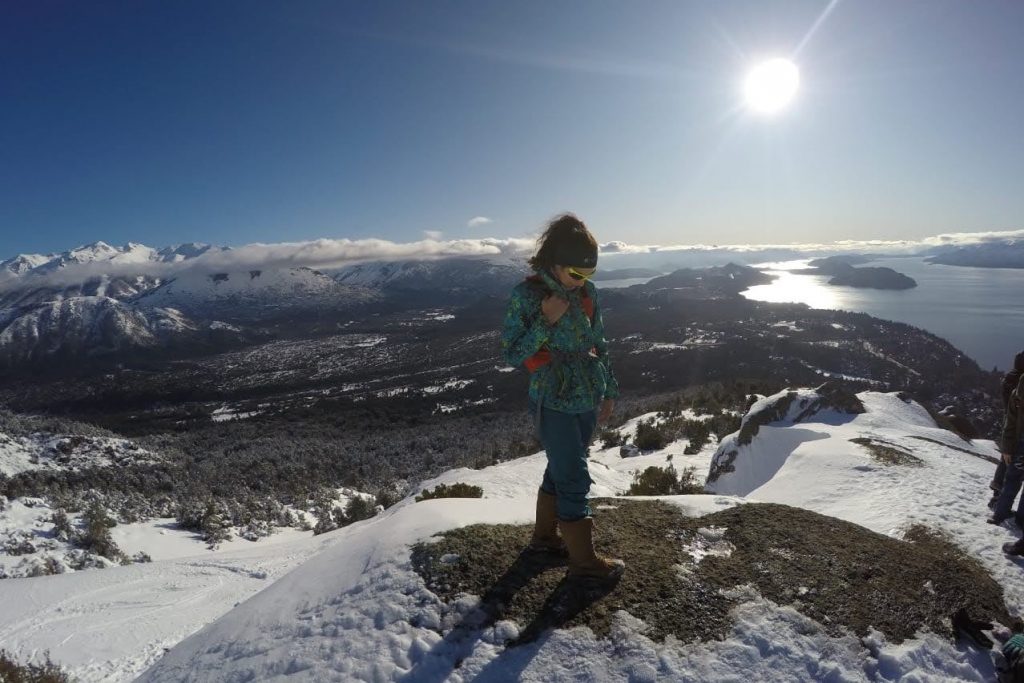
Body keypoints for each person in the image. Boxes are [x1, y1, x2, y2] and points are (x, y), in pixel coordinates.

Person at [500, 213, 624, 582]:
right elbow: (511, 352)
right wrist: (546, 319)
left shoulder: (587, 293)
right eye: (577, 272)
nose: (584, 281)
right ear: (554, 263)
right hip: (551, 398)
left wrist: (610, 390)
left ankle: (543, 539)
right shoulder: (528, 295)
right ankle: (583, 563)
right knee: (574, 475)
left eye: (591, 273)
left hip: (588, 393)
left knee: (563, 467)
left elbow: (600, 343)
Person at [994, 358, 1024, 555]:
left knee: (1011, 479)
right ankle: (1021, 520)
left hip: (1020, 444)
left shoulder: (1018, 389)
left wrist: (1006, 448)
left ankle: (1000, 513)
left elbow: (1010, 422)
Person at [989, 351, 1024, 509]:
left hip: (1010, 422)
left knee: (1006, 458)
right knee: (1012, 465)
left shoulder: (1010, 378)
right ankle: (1000, 502)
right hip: (1017, 426)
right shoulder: (1019, 380)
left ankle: (997, 496)